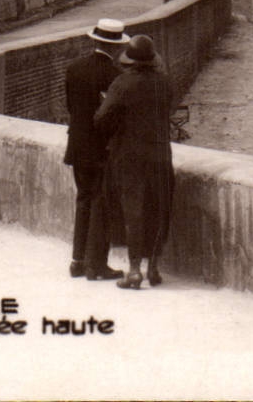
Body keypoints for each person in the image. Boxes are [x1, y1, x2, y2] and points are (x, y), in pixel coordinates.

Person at [94, 34, 174, 289]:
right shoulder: (165, 83)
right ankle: (154, 268)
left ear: (130, 60)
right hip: (160, 154)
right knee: (158, 208)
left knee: (134, 211)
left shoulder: (122, 83)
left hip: (129, 156)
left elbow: (101, 120)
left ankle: (135, 270)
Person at [63, 18, 127, 282]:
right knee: (101, 205)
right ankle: (97, 265)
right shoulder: (115, 76)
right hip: (101, 149)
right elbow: (112, 117)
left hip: (78, 145)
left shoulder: (74, 68)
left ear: (96, 41)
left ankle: (77, 261)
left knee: (83, 200)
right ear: (116, 46)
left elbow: (70, 107)